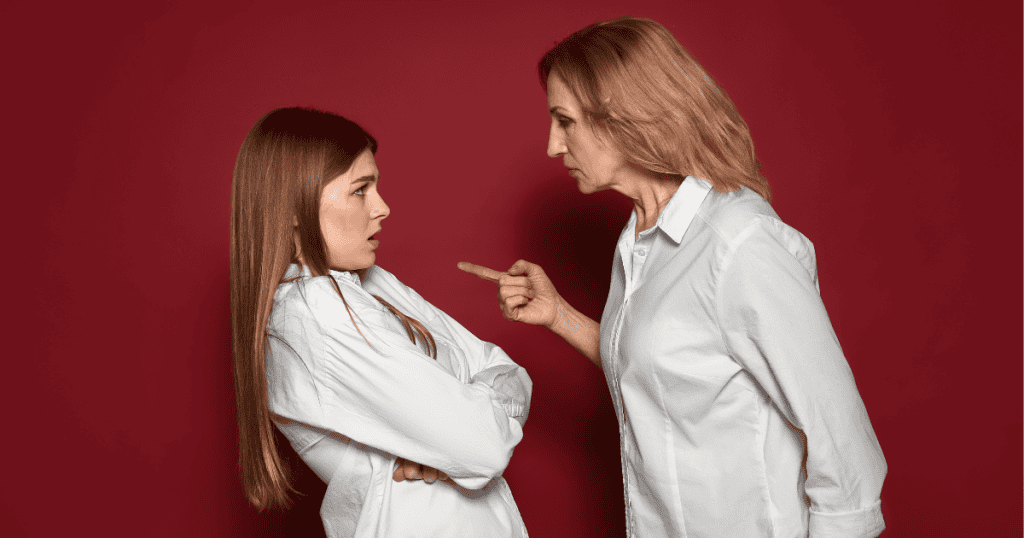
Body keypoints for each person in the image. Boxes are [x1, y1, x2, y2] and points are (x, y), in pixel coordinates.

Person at [459, 17, 886, 538]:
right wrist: (561, 317)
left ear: (623, 118)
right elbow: (662, 366)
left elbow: (844, 446)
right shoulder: (637, 239)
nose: (552, 145)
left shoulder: (739, 243)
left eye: (565, 121)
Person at [231, 107, 532, 537]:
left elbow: (508, 372)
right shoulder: (315, 312)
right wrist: (461, 426)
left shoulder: (366, 282)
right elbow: (485, 447)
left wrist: (448, 436)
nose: (383, 207)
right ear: (293, 205)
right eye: (360, 190)